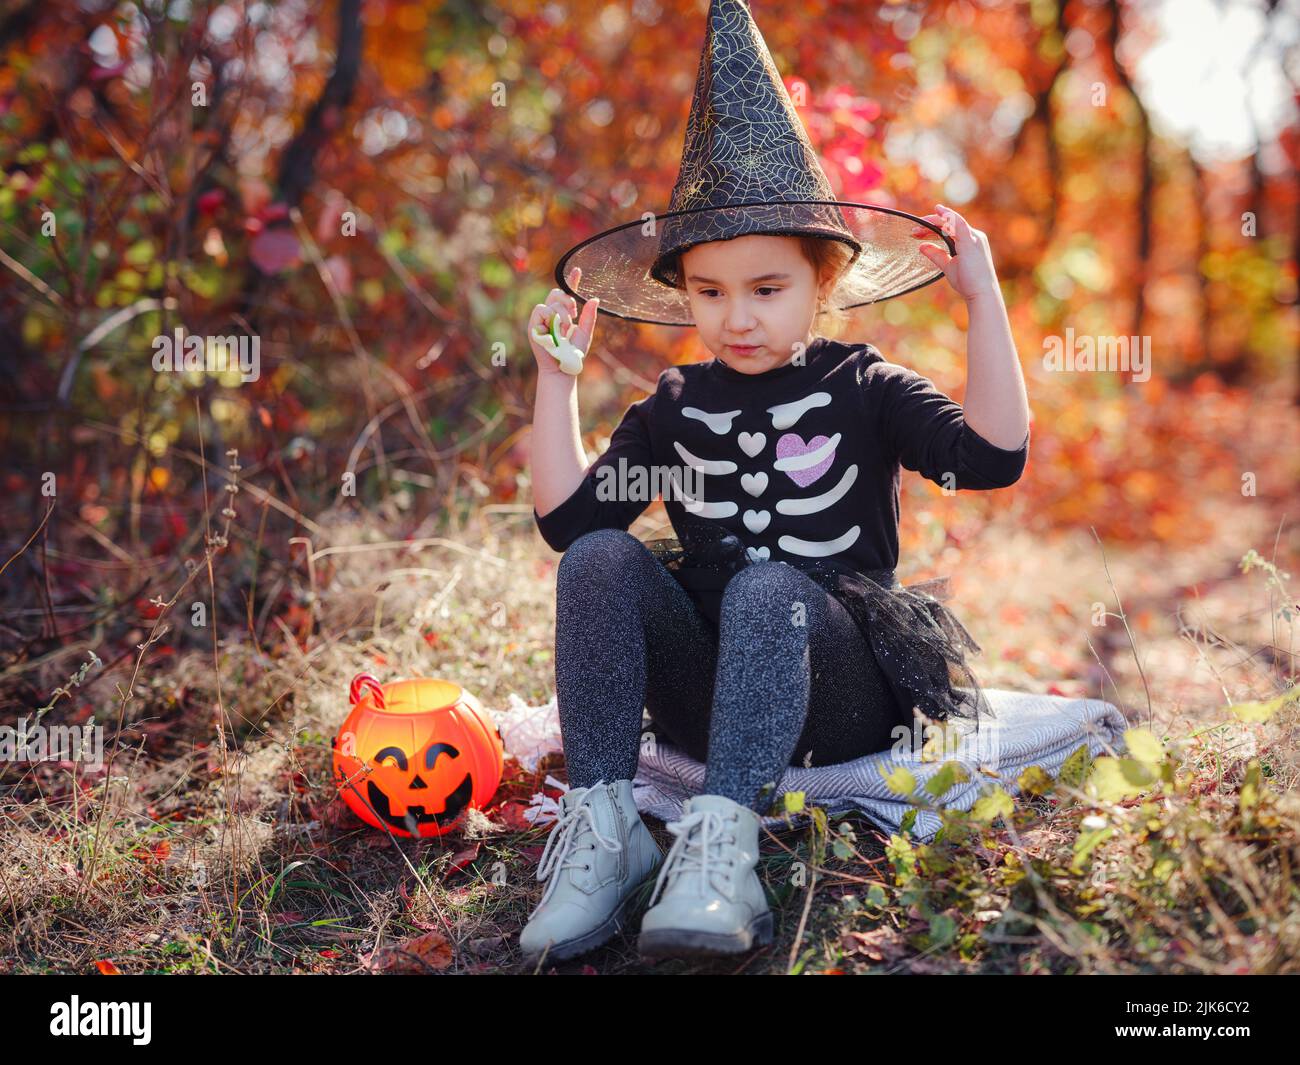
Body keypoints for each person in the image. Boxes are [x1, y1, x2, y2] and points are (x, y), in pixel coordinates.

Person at [519, 0, 1030, 964]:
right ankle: (606, 830)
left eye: (766, 288)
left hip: (833, 693)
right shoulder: (676, 403)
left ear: (822, 279)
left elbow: (992, 457)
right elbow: (566, 523)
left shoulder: (861, 383)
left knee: (767, 588)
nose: (736, 318)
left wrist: (984, 301)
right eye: (708, 293)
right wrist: (557, 384)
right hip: (706, 700)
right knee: (596, 559)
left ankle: (725, 848)